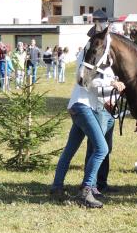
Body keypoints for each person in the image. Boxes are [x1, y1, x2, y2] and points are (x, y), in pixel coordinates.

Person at [50, 38, 126, 208]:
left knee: (70, 150)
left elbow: (97, 88)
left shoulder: (90, 59)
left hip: (78, 105)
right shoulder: (92, 61)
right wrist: (113, 83)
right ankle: (85, 191)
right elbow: (87, 83)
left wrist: (114, 89)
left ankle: (57, 186)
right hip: (83, 106)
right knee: (102, 148)